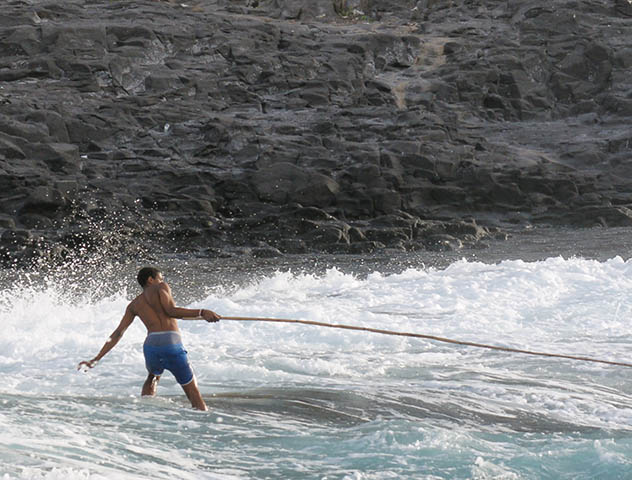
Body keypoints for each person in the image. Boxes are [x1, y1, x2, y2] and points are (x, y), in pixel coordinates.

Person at [78, 266, 221, 410]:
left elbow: (118, 333)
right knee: (192, 392)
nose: (162, 281)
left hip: (151, 347)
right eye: (160, 278)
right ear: (151, 280)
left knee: (153, 376)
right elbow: (171, 311)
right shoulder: (161, 287)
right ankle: (203, 419)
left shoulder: (134, 305)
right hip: (171, 342)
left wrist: (95, 359)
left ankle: (147, 412)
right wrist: (203, 312)